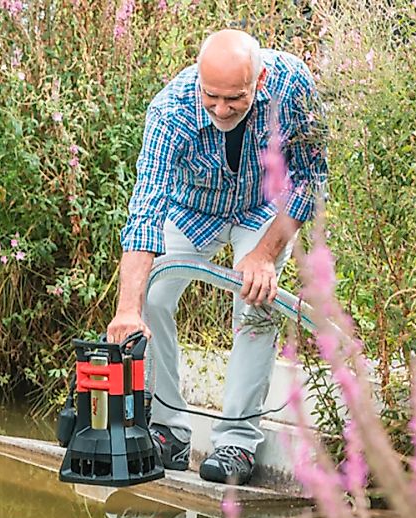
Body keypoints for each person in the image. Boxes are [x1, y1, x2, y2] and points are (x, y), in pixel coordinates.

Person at [107, 29, 327, 485]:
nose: (222, 109)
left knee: (256, 303)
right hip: (193, 209)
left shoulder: (293, 86)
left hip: (263, 209)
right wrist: (127, 309)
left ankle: (237, 443)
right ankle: (169, 429)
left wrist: (265, 254)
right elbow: (146, 212)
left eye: (235, 99)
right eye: (212, 97)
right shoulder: (170, 111)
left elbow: (309, 181)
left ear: (260, 80)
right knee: (152, 296)